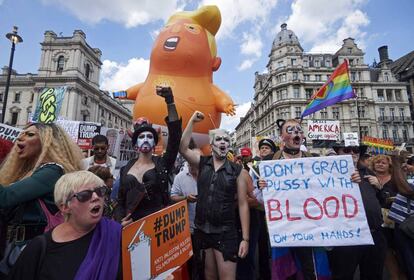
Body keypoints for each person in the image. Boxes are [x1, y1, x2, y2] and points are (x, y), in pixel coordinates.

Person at [0, 123, 84, 276]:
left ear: (48, 142)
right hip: (14, 247)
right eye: (22, 133)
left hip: (32, 248)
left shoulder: (53, 171)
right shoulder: (29, 172)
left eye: (30, 134)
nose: (20, 137)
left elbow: (4, 197)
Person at [8, 170, 121, 280]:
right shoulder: (40, 248)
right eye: (85, 195)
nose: (96, 197)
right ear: (65, 207)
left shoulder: (117, 235)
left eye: (100, 191)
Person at [179, 111, 250, 280]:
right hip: (203, 231)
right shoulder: (202, 163)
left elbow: (242, 203)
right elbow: (182, 148)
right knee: (209, 276)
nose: (223, 142)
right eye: (219, 139)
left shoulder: (237, 170)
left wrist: (245, 239)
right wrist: (192, 122)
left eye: (226, 139)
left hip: (226, 233)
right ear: (211, 145)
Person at [113, 86, 182, 224]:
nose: (145, 139)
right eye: (141, 136)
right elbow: (120, 201)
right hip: (131, 228)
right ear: (135, 144)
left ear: (154, 142)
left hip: (157, 226)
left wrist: (170, 101)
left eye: (149, 136)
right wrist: (120, 220)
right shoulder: (125, 168)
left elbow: (175, 136)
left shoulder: (162, 164)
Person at [329, 143, 387, 280]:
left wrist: (379, 188)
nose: (352, 153)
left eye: (355, 150)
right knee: (343, 274)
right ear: (339, 153)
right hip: (347, 235)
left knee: (373, 275)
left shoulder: (368, 172)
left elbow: (382, 201)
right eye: (347, 150)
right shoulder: (329, 174)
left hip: (374, 234)